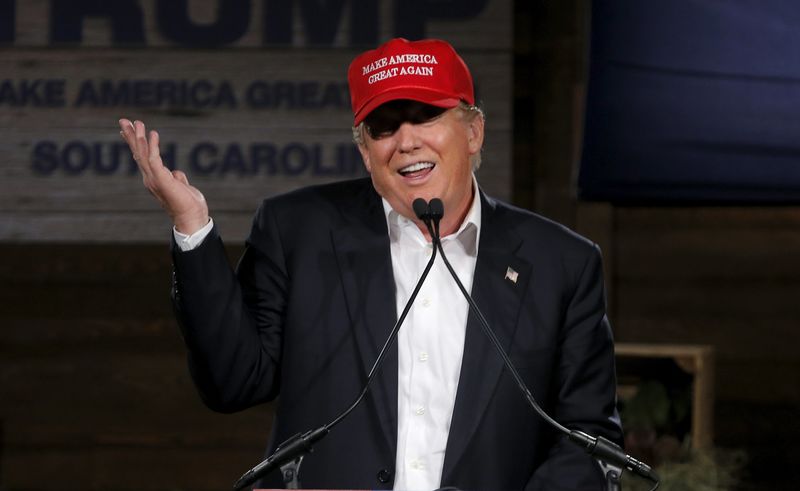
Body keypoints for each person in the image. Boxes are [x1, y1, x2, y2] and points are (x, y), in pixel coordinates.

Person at [119, 38, 622, 490]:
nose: (406, 141)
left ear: (473, 132)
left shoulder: (563, 263)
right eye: (383, 126)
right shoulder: (299, 231)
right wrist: (192, 225)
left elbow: (589, 440)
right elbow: (233, 382)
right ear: (365, 151)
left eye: (425, 115)